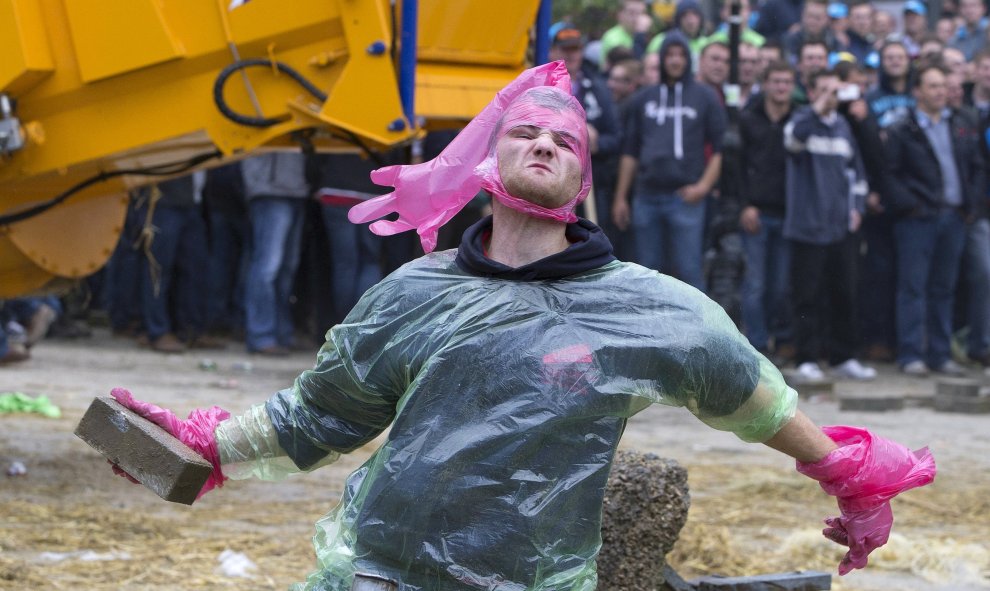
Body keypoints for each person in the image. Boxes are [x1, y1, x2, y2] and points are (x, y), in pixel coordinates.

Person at [108, 61, 935, 591]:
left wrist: (850, 476)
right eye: (525, 132)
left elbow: (750, 394)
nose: (543, 141)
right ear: (489, 163)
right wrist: (204, 441)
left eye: (563, 139)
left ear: (581, 176)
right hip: (379, 574)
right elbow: (321, 414)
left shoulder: (648, 308)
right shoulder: (415, 292)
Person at [884, 63, 986, 376]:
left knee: (944, 289)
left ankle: (940, 355)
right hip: (917, 219)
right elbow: (889, 173)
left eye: (943, 85)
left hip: (954, 217)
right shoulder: (903, 128)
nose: (940, 91)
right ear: (917, 92)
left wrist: (971, 205)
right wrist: (910, 205)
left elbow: (978, 166)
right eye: (933, 86)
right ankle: (911, 354)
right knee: (913, 288)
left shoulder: (960, 123)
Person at [613, 32, 727, 290]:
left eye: (681, 55)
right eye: (670, 55)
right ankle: (649, 330)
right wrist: (621, 197)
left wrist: (703, 187)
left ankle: (697, 330)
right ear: (662, 58)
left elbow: (721, 149)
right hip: (646, 197)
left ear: (689, 59)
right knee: (647, 273)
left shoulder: (704, 96)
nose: (675, 61)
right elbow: (630, 151)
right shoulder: (644, 98)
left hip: (685, 199)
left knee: (689, 272)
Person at [783, 68, 876, 382]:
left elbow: (857, 172)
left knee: (844, 292)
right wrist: (816, 110)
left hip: (841, 226)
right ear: (811, 93)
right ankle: (806, 358)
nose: (830, 98)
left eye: (834, 92)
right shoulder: (801, 121)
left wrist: (857, 208)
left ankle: (843, 356)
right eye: (824, 90)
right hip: (807, 226)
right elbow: (792, 143)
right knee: (807, 295)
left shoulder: (843, 128)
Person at [738, 60, 797, 358]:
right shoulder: (749, 119)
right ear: (766, 84)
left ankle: (778, 339)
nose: (782, 87)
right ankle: (758, 346)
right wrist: (745, 204)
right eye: (776, 81)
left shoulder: (800, 120)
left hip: (789, 213)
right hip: (756, 212)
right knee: (756, 284)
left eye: (787, 81)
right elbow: (737, 166)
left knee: (780, 285)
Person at [241, 150, 311, 355]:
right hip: (268, 190)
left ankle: (282, 333)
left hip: (297, 190)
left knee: (286, 269)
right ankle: (261, 336)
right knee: (267, 268)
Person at [599, 0, 651, 65]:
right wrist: (640, 34)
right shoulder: (613, 38)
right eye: (631, 13)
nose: (636, 18)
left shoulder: (646, 34)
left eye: (640, 13)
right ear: (620, 14)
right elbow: (633, 67)